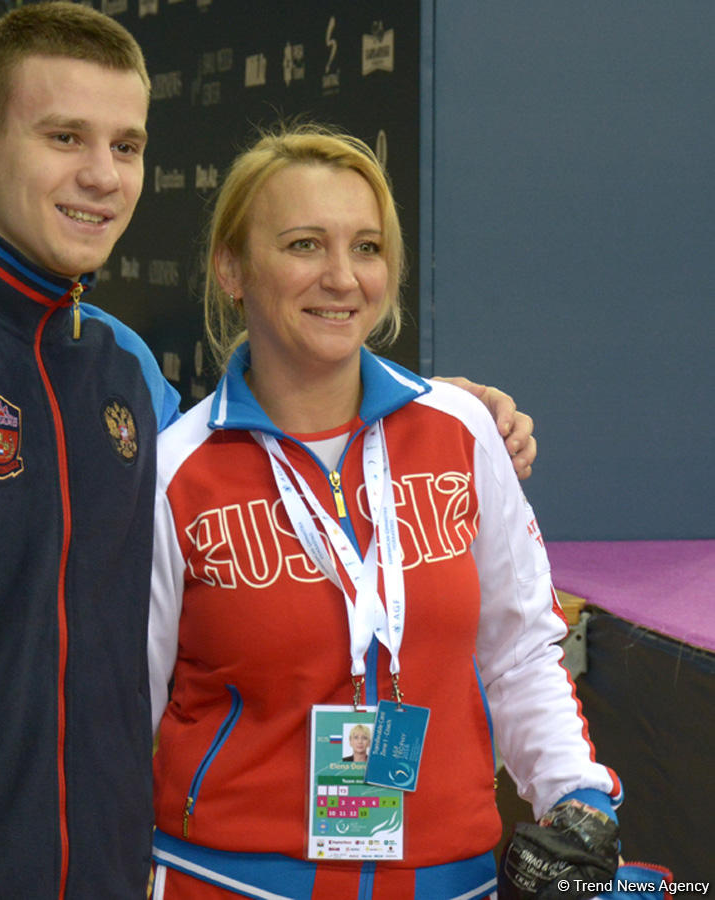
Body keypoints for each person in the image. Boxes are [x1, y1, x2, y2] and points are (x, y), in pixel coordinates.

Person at [0, 6, 536, 898]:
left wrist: (445, 415)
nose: (101, 176)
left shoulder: (128, 371)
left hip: (106, 868)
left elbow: (268, 460)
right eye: (65, 137)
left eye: (126, 146)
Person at [146, 125, 621, 899]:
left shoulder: (463, 431)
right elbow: (123, 707)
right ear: (231, 268)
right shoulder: (176, 472)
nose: (341, 277)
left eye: (366, 248)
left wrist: (575, 793)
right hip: (231, 881)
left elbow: (521, 648)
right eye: (304, 245)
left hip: (452, 878)